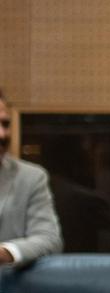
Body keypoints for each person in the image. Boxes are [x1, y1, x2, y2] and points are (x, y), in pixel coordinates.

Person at [0, 88, 64, 269]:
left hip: (7, 289)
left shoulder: (31, 178)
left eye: (5, 124)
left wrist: (6, 252)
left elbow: (49, 240)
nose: (2, 135)